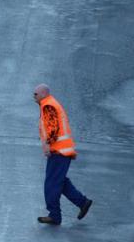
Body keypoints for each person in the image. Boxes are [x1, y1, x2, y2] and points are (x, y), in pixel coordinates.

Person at [34, 84, 92, 225]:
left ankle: (55, 215)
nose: (33, 96)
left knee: (52, 183)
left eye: (35, 94)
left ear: (43, 94)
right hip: (62, 151)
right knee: (59, 181)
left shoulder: (48, 105)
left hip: (59, 151)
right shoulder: (49, 104)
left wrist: (47, 144)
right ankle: (82, 202)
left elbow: (53, 128)